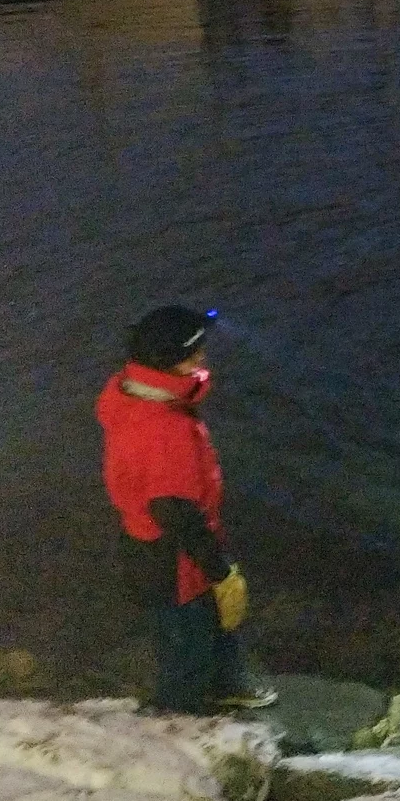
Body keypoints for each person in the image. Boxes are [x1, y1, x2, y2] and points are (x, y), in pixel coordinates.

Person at [96, 305, 276, 713]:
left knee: (214, 619)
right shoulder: (163, 427)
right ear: (168, 361)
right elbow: (172, 509)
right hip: (171, 555)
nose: (202, 357)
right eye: (193, 352)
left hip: (154, 545)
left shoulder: (138, 396)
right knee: (186, 646)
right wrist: (219, 570)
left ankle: (228, 684)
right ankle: (179, 720)